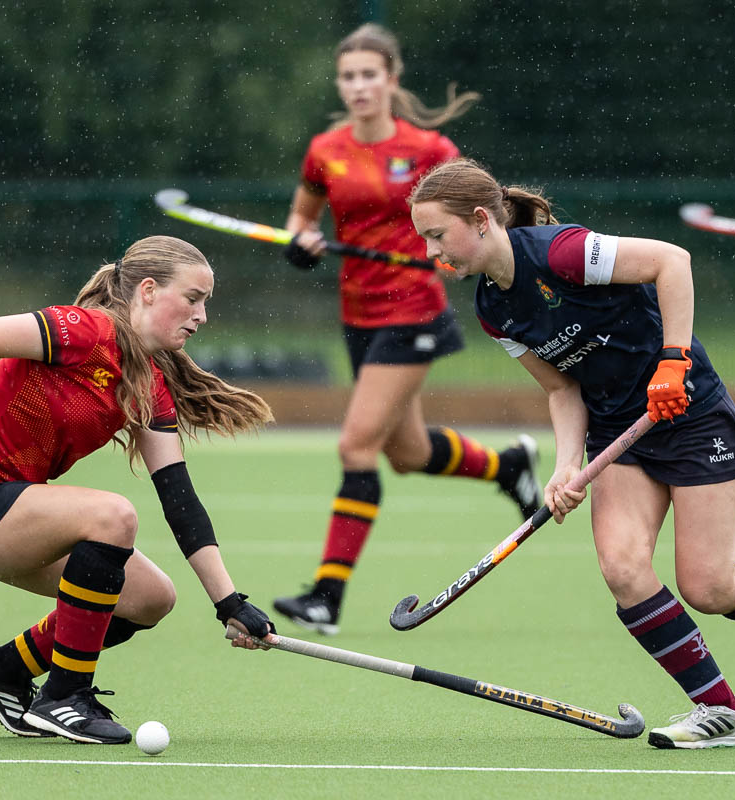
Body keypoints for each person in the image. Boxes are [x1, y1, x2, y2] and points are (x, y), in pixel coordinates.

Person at [408, 158, 735, 750]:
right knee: (623, 569)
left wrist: (674, 359)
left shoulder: (562, 253)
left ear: (480, 220)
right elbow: (561, 388)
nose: (431, 252)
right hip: (616, 430)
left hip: (689, 412)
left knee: (709, 588)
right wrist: (566, 466)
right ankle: (720, 709)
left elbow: (671, 261)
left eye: (436, 235)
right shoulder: (492, 310)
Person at [0, 235, 278, 745]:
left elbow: (180, 502)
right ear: (148, 290)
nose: (201, 316)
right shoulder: (84, 330)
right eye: (192, 298)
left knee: (150, 598)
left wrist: (230, 603)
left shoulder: (148, 387)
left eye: (205, 303)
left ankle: (3, 671)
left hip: (11, 519)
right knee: (111, 516)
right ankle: (65, 696)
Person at [273, 23, 540, 636]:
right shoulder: (325, 150)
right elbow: (301, 217)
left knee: (356, 446)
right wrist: (300, 242)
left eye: (370, 74)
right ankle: (508, 467)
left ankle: (326, 597)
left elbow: (475, 218)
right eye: (348, 76)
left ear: (392, 80)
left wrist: (448, 256)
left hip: (413, 310)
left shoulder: (430, 150)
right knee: (408, 453)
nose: (359, 86)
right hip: (358, 315)